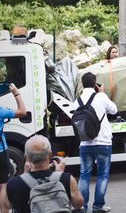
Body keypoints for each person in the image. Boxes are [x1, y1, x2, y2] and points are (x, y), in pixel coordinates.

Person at [2, 135, 83, 213]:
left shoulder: (14, 184)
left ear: (26, 157)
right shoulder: (67, 179)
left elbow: (6, 205)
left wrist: (24, 174)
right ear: (50, 154)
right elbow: (78, 204)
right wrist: (60, 174)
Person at [74, 72, 117, 213]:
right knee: (102, 175)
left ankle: (82, 207)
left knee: (84, 175)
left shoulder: (78, 101)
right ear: (95, 83)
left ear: (82, 83)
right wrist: (103, 93)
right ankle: (98, 206)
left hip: (85, 143)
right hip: (103, 141)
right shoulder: (100, 97)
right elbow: (114, 110)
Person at [0, 83, 26, 213]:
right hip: (1, 152)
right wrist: (16, 93)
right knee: (3, 187)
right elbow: (22, 112)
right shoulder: (0, 110)